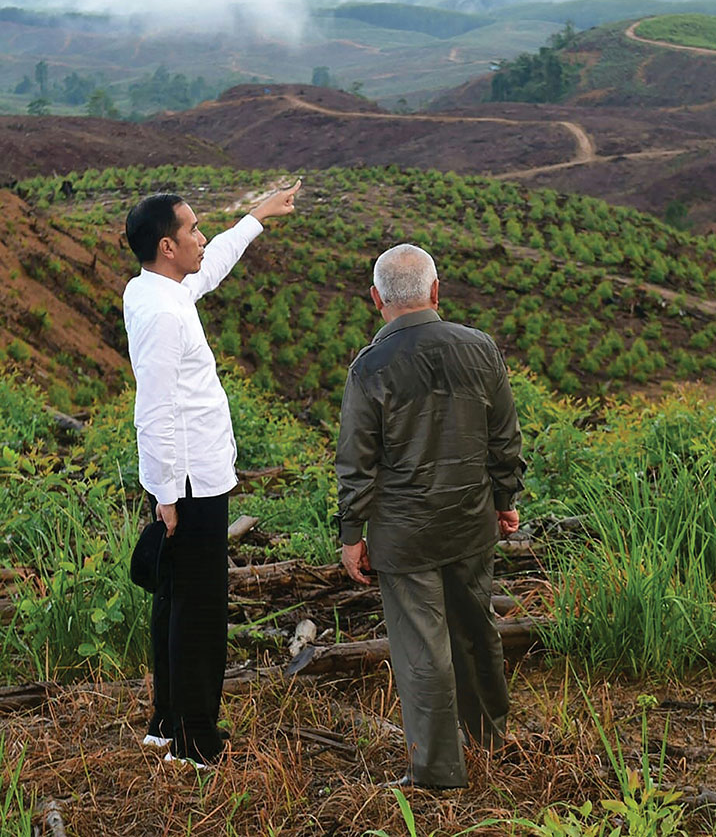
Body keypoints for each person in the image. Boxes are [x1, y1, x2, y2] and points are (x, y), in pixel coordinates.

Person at [123, 179, 301, 766]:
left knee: (175, 599)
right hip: (191, 482)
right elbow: (153, 409)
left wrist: (258, 216)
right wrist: (166, 494)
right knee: (199, 611)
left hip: (189, 478)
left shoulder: (155, 288)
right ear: (167, 247)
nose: (202, 237)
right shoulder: (163, 315)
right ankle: (195, 741)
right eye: (193, 230)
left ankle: (166, 724)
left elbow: (213, 265)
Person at [336, 243, 525, 790]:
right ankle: (490, 739)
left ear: (377, 300)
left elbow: (356, 461)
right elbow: (504, 437)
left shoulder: (370, 368)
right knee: (476, 631)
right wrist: (504, 500)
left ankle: (439, 772)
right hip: (470, 522)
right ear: (436, 291)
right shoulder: (480, 348)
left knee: (423, 651)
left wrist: (352, 533)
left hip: (404, 534)